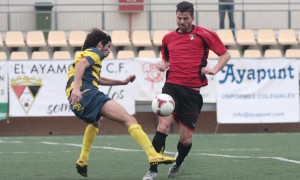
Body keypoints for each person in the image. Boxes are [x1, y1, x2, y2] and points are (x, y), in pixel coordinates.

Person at [65, 28, 175, 177]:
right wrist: (77, 89)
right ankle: (153, 155)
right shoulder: (94, 52)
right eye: (108, 47)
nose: (109, 51)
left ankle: (83, 160)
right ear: (100, 45)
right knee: (130, 120)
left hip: (76, 103)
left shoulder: (85, 58)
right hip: (87, 95)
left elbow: (98, 78)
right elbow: (82, 65)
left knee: (96, 122)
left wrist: (121, 82)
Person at [143, 1, 231, 180]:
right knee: (163, 126)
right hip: (171, 88)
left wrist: (214, 69)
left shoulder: (205, 34)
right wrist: (163, 65)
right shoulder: (168, 38)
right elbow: (166, 60)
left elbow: (225, 54)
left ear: (192, 18)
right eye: (179, 18)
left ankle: (179, 162)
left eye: (185, 18)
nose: (181, 22)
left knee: (186, 140)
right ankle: (152, 170)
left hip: (192, 92)